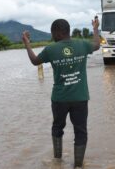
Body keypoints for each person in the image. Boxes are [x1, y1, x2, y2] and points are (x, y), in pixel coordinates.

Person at [22, 17, 100, 168]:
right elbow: (97, 44)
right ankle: (78, 165)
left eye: (52, 33)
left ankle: (57, 162)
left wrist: (27, 44)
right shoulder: (82, 44)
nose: (52, 36)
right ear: (68, 31)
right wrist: (95, 28)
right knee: (81, 131)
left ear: (57, 33)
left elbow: (35, 61)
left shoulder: (50, 49)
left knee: (57, 128)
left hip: (59, 99)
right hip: (80, 98)